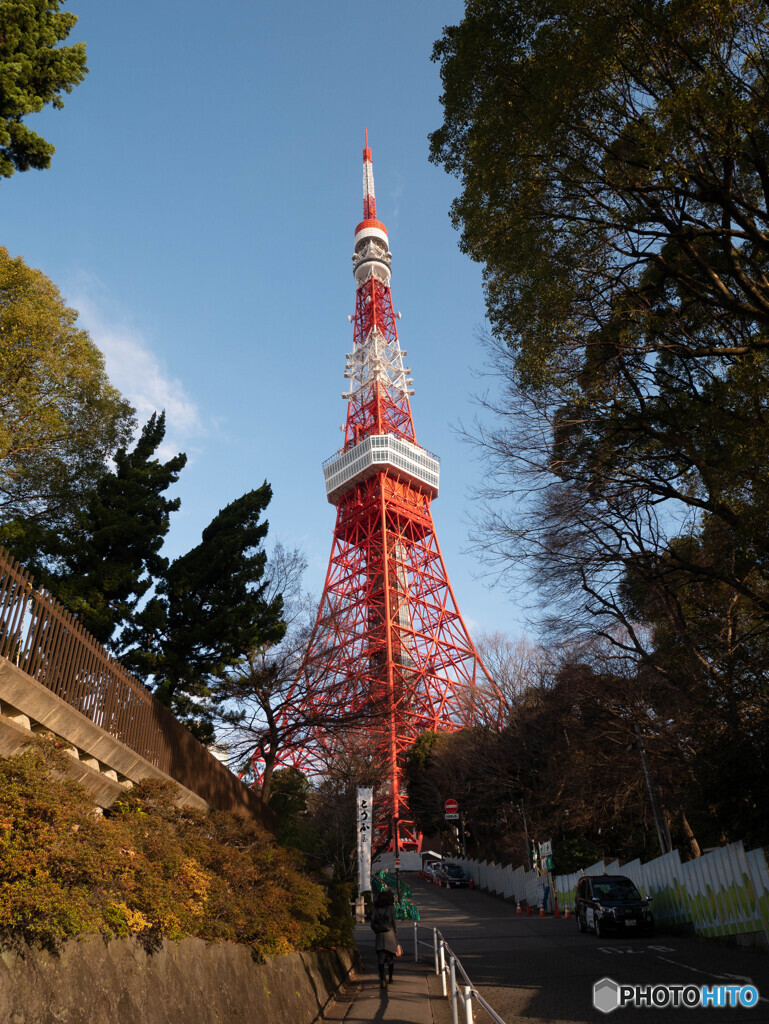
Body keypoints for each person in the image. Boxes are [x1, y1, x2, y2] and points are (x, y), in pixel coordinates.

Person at [370, 888, 398, 988]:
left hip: (380, 937)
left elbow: (372, 924)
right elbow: (394, 923)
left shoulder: (375, 909)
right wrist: (396, 937)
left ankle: (382, 979)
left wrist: (377, 930)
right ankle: (390, 977)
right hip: (390, 936)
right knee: (390, 959)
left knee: (381, 959)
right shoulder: (390, 909)